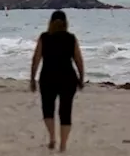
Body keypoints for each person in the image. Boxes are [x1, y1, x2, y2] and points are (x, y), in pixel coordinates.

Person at [30, 10, 85, 152]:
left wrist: (32, 78)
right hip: (68, 77)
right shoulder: (71, 38)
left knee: (48, 109)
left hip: (48, 77)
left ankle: (52, 138)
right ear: (66, 23)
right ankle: (63, 145)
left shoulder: (44, 37)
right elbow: (78, 60)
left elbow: (36, 59)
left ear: (50, 22)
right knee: (65, 111)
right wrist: (81, 78)